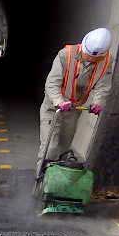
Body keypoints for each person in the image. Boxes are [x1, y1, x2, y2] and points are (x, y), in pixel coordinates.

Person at [39, 27, 114, 162]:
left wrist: (98, 103)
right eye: (87, 55)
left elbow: (103, 86)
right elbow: (52, 83)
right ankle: (41, 178)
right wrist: (59, 101)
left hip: (74, 108)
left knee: (63, 147)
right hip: (53, 107)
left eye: (93, 58)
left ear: (102, 55)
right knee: (50, 148)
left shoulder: (106, 61)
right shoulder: (65, 54)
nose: (89, 58)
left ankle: (58, 177)